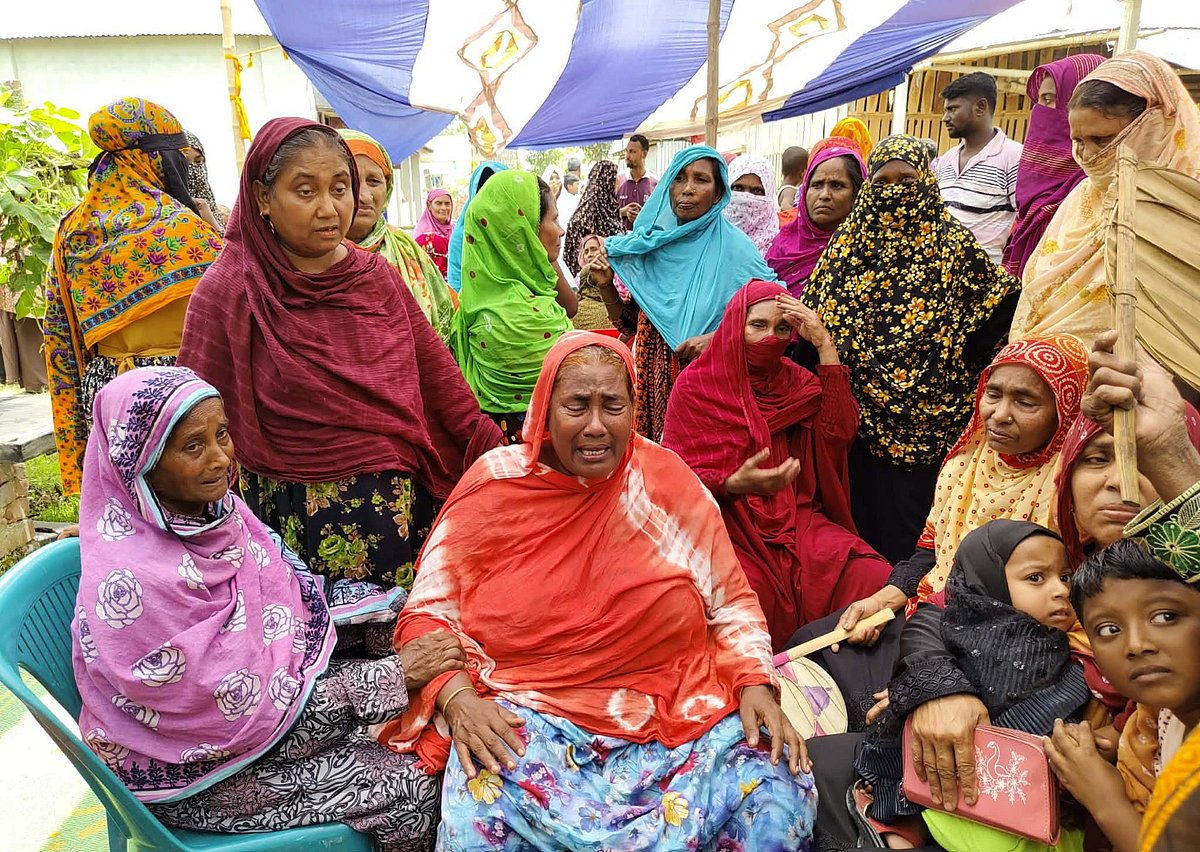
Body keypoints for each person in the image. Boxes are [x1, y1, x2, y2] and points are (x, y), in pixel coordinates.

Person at [379, 332, 818, 850]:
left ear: (635, 409)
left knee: (778, 787)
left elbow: (732, 604)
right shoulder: (495, 487)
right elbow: (426, 617)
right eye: (576, 405)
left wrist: (754, 683)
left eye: (613, 405)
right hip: (533, 720)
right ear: (544, 409)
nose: (595, 426)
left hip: (677, 715)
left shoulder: (667, 482)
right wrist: (457, 700)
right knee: (478, 805)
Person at [72, 367, 455, 850]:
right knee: (415, 783)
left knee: (411, 653)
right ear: (140, 463)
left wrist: (396, 615)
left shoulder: (215, 517)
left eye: (222, 434)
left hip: (255, 720)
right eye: (193, 446)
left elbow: (287, 600)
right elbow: (233, 710)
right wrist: (393, 676)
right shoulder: (133, 581)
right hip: (193, 769)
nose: (220, 459)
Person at [856, 333, 1200, 840]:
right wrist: (938, 686)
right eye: (1098, 459)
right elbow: (950, 601)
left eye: (1139, 461)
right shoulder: (1060, 548)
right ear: (1067, 472)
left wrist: (1169, 457)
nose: (1121, 482)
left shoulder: (1179, 582)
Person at [178, 118, 501, 596]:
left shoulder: (376, 279)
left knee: (396, 654)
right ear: (263, 198)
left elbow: (439, 381)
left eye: (340, 188)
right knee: (312, 652)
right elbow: (183, 413)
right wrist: (133, 504)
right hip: (287, 520)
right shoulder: (232, 289)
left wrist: (500, 456)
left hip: (393, 511)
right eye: (305, 191)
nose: (330, 209)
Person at [801, 134, 1021, 563]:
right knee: (863, 526)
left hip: (933, 420)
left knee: (919, 533)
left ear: (926, 181)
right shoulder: (847, 246)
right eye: (883, 182)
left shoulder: (952, 244)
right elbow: (814, 320)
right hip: (860, 423)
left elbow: (1001, 302)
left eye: (907, 179)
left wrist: (957, 355)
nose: (896, 190)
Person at [662, 281, 891, 648]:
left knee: (870, 575)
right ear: (736, 325)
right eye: (758, 325)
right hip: (727, 524)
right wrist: (732, 483)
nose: (771, 338)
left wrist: (825, 346)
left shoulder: (796, 382)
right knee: (744, 598)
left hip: (797, 518)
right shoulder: (696, 388)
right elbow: (672, 484)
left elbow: (840, 431)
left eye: (782, 329)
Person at [855, 521, 1102, 852]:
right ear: (989, 580)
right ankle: (900, 816)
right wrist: (928, 689)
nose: (1060, 590)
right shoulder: (963, 629)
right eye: (1036, 578)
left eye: (1066, 577)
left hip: (1028, 799)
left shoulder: (1067, 647)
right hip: (947, 790)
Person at [43, 96, 222, 496]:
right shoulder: (187, 231)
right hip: (182, 396)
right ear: (155, 160)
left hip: (111, 397)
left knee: (128, 512)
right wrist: (216, 230)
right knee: (193, 511)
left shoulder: (73, 229)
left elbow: (60, 338)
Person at [589, 145, 778, 441]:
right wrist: (605, 284)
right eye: (679, 178)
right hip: (650, 395)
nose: (687, 189)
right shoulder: (650, 247)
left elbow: (777, 317)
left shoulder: (737, 250)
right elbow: (629, 324)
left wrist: (718, 338)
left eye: (701, 180)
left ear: (718, 194)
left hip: (708, 392)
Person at [1011, 51, 1200, 345]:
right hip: (1048, 374)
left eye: (1103, 140)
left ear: (1157, 124)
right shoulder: (1081, 198)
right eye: (1077, 141)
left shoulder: (1187, 205)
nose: (1087, 155)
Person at [1049, 538, 1200, 852]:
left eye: (1165, 617)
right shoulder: (1152, 720)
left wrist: (1103, 796)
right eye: (1108, 629)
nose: (1136, 645)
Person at [453, 169, 575, 445]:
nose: (562, 229)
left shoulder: (474, 308)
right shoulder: (535, 319)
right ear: (525, 232)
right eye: (554, 219)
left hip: (496, 456)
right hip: (546, 459)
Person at [340, 130, 456, 340]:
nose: (364, 195)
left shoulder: (407, 249)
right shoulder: (309, 258)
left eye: (374, 181)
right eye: (348, 181)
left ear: (388, 187)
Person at [1002, 54, 1107, 279]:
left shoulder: (1100, 191)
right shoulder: (1037, 195)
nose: (1041, 111)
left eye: (1051, 99)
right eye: (1040, 100)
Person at [934, 71, 1024, 264]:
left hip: (986, 272)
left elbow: (1024, 221)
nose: (945, 118)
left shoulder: (1013, 156)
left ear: (980, 107)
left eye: (953, 109)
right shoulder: (946, 160)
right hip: (943, 269)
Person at [766, 136, 866, 296]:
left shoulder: (865, 251)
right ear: (805, 189)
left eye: (837, 185)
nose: (824, 195)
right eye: (816, 185)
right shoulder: (783, 245)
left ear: (856, 194)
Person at [447, 160, 508, 292]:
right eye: (483, 190)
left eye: (495, 190)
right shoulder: (461, 236)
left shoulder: (517, 229)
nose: (489, 198)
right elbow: (455, 283)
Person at [563, 159, 622, 277]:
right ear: (607, 182)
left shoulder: (607, 211)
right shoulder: (583, 220)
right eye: (615, 179)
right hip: (593, 286)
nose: (618, 184)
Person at [723, 154, 780, 254]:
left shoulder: (779, 250)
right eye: (738, 188)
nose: (746, 197)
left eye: (757, 190)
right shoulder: (706, 237)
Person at [182, 130, 225, 233]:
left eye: (198, 162)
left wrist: (214, 226)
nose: (193, 170)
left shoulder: (208, 205)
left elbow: (227, 246)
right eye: (186, 163)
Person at [616, 134, 657, 229]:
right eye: (627, 151)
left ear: (644, 154)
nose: (627, 156)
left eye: (632, 152)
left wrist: (641, 218)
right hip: (620, 240)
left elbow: (659, 216)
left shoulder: (655, 183)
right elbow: (605, 214)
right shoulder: (618, 180)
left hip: (644, 240)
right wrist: (623, 212)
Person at [412, 188, 455, 277]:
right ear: (429, 206)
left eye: (447, 204)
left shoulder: (456, 231)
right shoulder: (421, 233)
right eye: (438, 203)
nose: (443, 208)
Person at [776, 144, 810, 221]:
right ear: (802, 173)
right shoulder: (789, 190)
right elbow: (784, 206)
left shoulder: (783, 187)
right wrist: (802, 216)